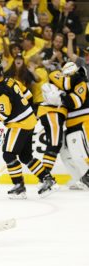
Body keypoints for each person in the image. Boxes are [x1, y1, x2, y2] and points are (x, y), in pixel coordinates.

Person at [0, 62, 58, 199]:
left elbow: (3, 115)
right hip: (30, 120)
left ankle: (19, 187)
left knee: (8, 155)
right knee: (25, 156)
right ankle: (47, 179)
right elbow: (28, 95)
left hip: (19, 124)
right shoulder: (11, 80)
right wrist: (25, 110)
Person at [49, 62, 89, 190]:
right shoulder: (70, 83)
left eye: (69, 75)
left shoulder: (81, 83)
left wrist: (61, 95)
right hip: (71, 123)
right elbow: (52, 75)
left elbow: (75, 102)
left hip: (83, 122)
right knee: (70, 153)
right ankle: (80, 177)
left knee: (84, 152)